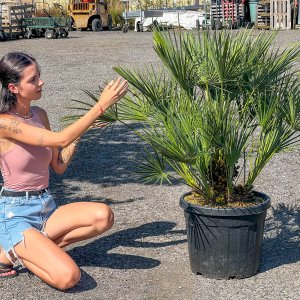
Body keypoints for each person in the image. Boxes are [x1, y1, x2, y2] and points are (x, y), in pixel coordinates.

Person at [0, 52, 128, 290]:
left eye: (40, 76)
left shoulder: (39, 115)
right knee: (69, 277)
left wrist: (82, 131)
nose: (41, 83)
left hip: (46, 207)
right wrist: (99, 107)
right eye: (33, 79)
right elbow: (61, 137)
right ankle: (14, 251)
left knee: (103, 216)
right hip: (15, 215)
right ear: (13, 87)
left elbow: (58, 166)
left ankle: (15, 254)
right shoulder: (5, 124)